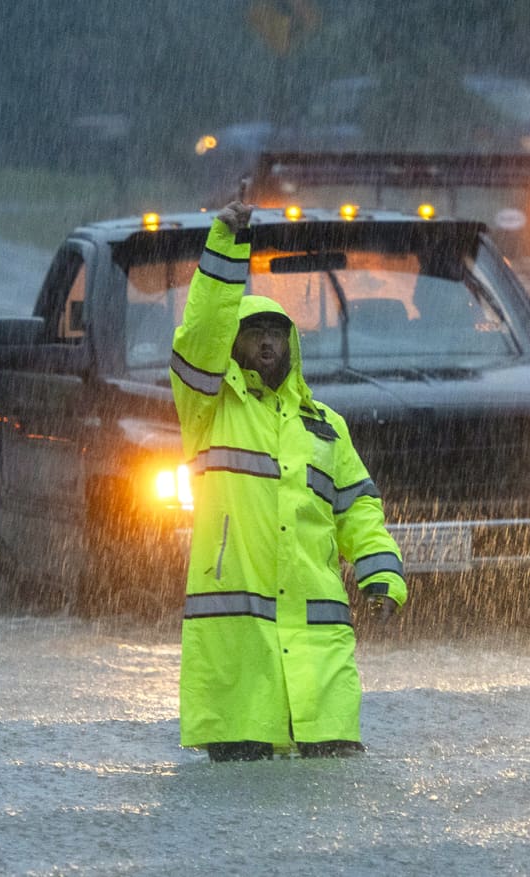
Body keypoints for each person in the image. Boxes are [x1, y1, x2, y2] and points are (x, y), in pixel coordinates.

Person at [169, 201, 408, 762]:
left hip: (319, 661)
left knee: (333, 816)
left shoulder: (325, 427)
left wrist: (382, 575)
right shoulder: (209, 410)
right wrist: (227, 242)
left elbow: (358, 508)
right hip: (237, 667)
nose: (268, 342)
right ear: (232, 344)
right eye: (253, 333)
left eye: (278, 331)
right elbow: (200, 330)